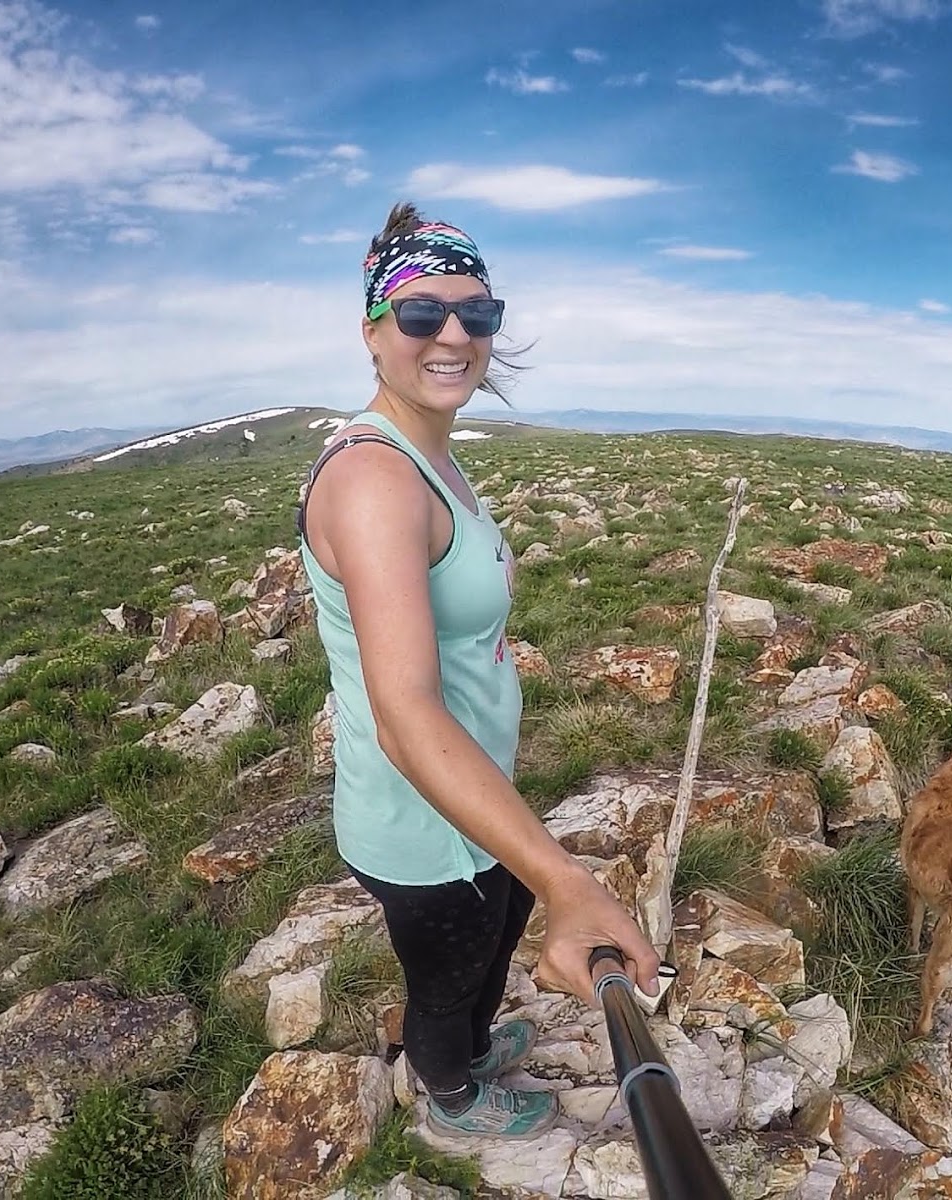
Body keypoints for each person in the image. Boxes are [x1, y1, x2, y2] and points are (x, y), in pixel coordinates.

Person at [295, 200, 660, 1139]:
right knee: (450, 966)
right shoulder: (377, 481)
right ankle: (450, 1090)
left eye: (477, 314)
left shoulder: (428, 455)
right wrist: (567, 883)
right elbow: (408, 716)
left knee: (492, 942)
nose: (453, 334)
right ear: (373, 331)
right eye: (422, 314)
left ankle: (464, 1040)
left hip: (467, 800)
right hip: (420, 823)